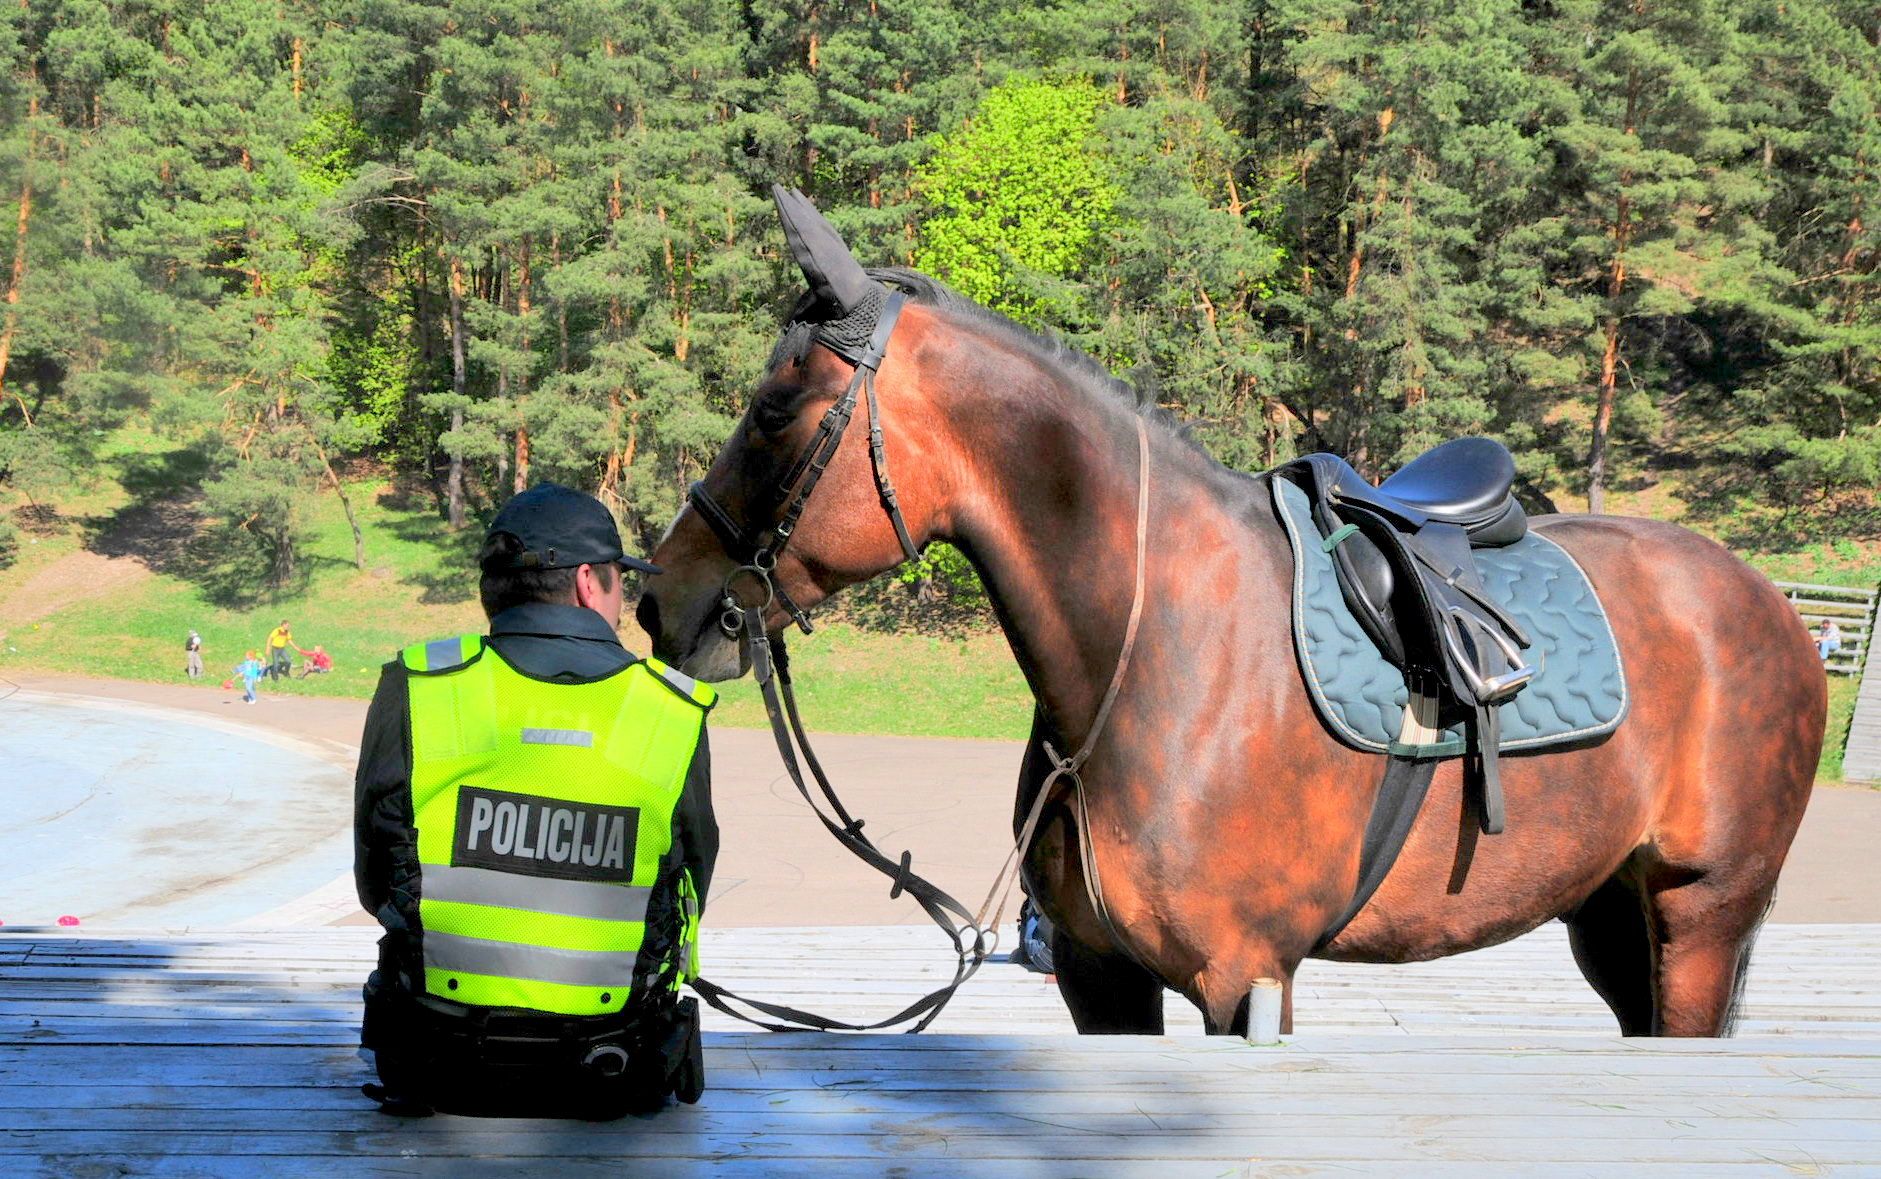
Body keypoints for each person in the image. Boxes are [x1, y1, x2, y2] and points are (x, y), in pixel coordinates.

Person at [354, 483, 717, 1119]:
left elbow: (373, 877)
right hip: (613, 1065)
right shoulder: (668, 709)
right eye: (619, 582)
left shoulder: (420, 683)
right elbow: (693, 886)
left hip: (436, 1063)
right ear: (586, 582)